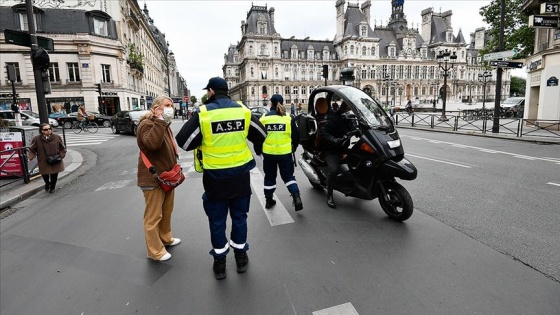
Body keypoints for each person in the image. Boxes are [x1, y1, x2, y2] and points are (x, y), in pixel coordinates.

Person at [175, 77, 266, 280]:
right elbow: (261, 134)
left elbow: (184, 142)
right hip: (240, 176)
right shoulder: (242, 111)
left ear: (211, 92)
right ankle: (241, 257)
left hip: (215, 178)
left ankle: (220, 263)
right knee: (240, 217)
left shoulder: (204, 113)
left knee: (217, 221)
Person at [136, 95, 181, 262]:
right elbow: (152, 144)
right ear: (155, 108)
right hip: (152, 178)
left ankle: (166, 238)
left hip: (166, 177)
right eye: (166, 105)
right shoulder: (146, 125)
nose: (170, 108)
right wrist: (160, 120)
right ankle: (154, 251)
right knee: (153, 217)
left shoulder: (163, 124)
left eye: (171, 105)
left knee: (166, 212)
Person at [260, 94, 303, 211]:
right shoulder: (288, 118)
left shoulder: (264, 118)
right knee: (288, 177)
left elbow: (259, 136)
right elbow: (296, 136)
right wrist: (293, 148)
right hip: (285, 154)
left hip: (269, 154)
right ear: (282, 103)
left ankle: (269, 200)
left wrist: (260, 150)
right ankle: (296, 196)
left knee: (269, 177)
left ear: (271, 104)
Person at [319, 102, 353, 208]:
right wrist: (333, 139)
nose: (350, 111)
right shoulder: (334, 118)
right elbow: (324, 132)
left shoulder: (350, 118)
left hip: (344, 148)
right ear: (343, 108)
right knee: (334, 170)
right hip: (332, 150)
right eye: (348, 109)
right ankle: (329, 195)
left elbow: (356, 128)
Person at [27, 123, 66, 193]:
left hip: (56, 159)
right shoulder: (37, 139)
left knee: (54, 174)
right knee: (44, 174)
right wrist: (30, 157)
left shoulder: (57, 137)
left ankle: (52, 187)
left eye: (49, 129)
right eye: (45, 129)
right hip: (43, 160)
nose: (48, 130)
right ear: (41, 131)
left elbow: (62, 148)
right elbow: (32, 149)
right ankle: (47, 183)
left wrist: (61, 155)